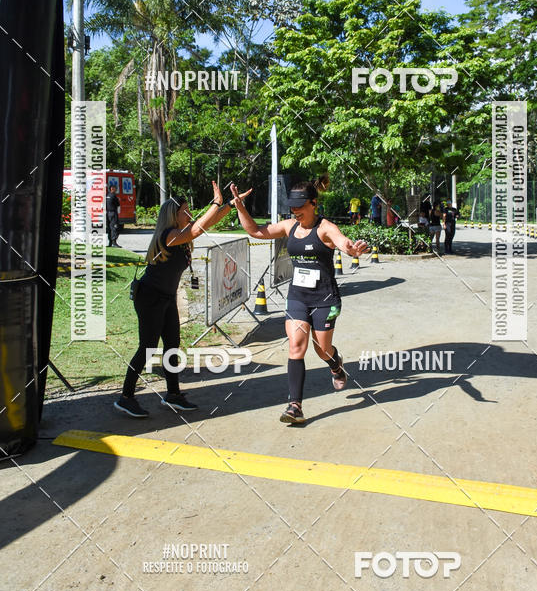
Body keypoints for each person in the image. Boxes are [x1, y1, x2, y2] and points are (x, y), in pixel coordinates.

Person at [231, 178, 369, 424]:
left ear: (314, 204)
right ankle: (295, 406)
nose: (295, 211)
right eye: (292, 207)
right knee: (296, 346)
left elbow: (342, 242)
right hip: (297, 297)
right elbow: (255, 231)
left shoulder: (326, 228)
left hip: (324, 299)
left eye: (300, 206)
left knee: (322, 349)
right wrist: (241, 207)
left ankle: (335, 365)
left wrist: (352, 250)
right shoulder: (288, 226)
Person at [114, 182, 251, 418]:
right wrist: (216, 201)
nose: (189, 214)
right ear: (173, 215)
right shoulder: (169, 236)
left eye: (189, 210)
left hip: (166, 298)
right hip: (150, 298)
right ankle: (125, 397)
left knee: (172, 346)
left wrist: (230, 203)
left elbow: (208, 223)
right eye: (184, 211)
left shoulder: (181, 235)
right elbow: (197, 229)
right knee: (147, 348)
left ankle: (173, 394)